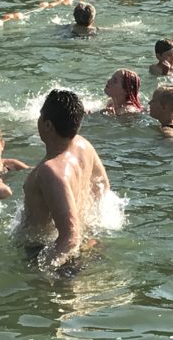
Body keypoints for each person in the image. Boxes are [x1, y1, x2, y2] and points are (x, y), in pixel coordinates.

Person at [21, 89, 110, 270]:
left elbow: (70, 236)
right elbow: (102, 187)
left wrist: (43, 271)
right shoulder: (83, 145)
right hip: (84, 245)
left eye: (40, 116)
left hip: (51, 253)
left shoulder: (50, 171)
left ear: (47, 125)